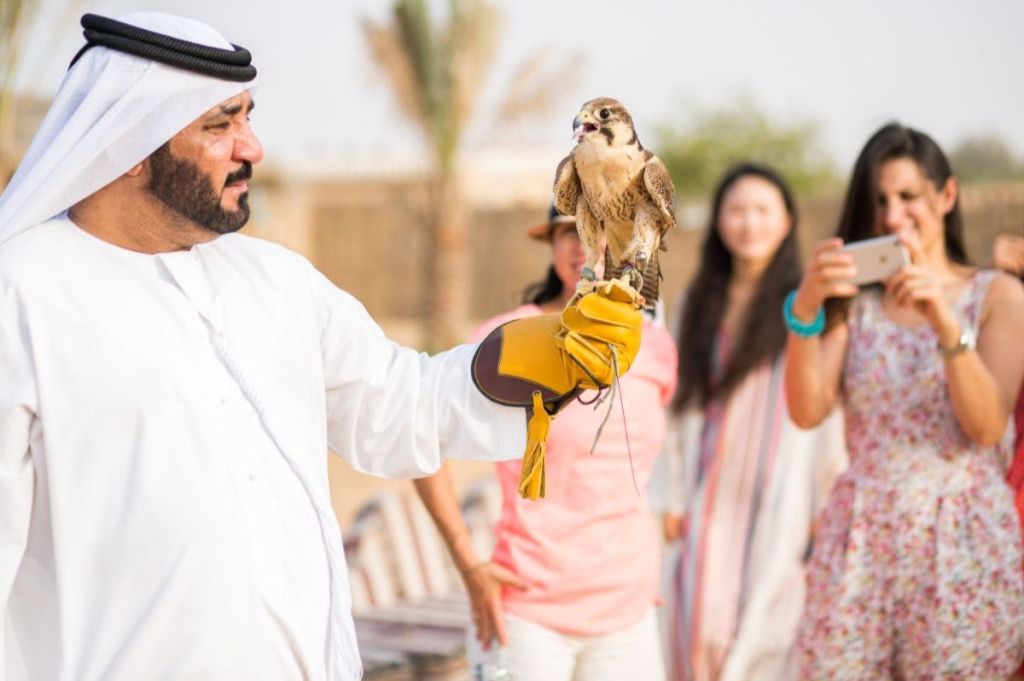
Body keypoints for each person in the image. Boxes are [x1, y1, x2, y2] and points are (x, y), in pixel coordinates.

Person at [0, 13, 644, 681]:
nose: (253, 147)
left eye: (248, 117)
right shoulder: (22, 296)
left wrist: (549, 352)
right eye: (219, 125)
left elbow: (405, 404)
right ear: (129, 140)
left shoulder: (276, 281)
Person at [785, 122, 1024, 678]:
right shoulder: (857, 305)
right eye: (879, 200)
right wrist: (805, 311)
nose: (893, 216)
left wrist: (943, 320)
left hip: (962, 537)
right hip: (860, 540)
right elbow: (806, 411)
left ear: (947, 195)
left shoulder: (998, 296)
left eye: (908, 196)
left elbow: (987, 427)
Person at [413, 204, 678, 680]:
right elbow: (420, 430)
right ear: (552, 244)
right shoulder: (505, 340)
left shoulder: (653, 345)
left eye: (605, 229)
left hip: (629, 615)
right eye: (571, 231)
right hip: (527, 615)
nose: (588, 244)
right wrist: (468, 565)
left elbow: (641, 465)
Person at [659, 164, 846, 681]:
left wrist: (824, 500)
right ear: (719, 220)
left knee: (768, 630)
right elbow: (676, 405)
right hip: (708, 492)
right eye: (737, 210)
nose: (749, 223)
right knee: (695, 624)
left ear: (787, 221)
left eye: (763, 210)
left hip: (779, 491)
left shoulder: (807, 305)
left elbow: (825, 411)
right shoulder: (696, 303)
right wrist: (672, 496)